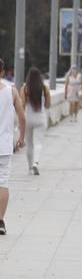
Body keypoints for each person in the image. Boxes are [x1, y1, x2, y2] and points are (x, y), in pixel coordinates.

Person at [0, 58, 28, 236]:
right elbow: (22, 117)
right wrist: (22, 137)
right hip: (3, 145)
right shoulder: (11, 92)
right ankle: (0, 221)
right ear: (2, 72)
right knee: (2, 181)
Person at [19, 69, 50, 177]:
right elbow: (47, 105)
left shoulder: (25, 88)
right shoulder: (44, 88)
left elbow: (22, 105)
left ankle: (29, 167)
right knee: (38, 143)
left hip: (28, 118)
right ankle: (35, 163)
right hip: (40, 118)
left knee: (29, 144)